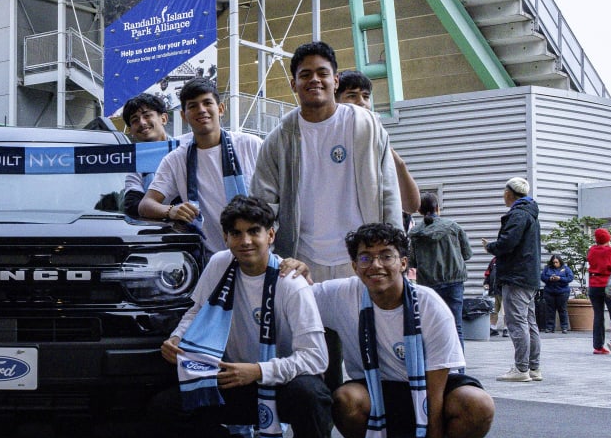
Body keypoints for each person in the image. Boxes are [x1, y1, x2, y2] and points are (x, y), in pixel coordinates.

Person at [157, 196, 332, 438]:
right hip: (235, 379)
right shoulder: (220, 264)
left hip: (284, 383)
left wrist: (259, 370)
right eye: (236, 233)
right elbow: (197, 310)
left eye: (254, 231)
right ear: (225, 237)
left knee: (311, 395)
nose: (245, 241)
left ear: (271, 236)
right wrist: (177, 339)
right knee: (169, 407)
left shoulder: (291, 283)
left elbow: (316, 358)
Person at [312, 222, 494, 438]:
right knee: (344, 399)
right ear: (355, 266)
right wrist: (288, 266)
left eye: (386, 256)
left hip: (427, 391)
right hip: (379, 391)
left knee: (478, 405)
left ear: (404, 262)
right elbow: (292, 294)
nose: (376, 265)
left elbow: (433, 401)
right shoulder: (340, 295)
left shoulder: (430, 305)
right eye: (365, 257)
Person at [252, 41, 401, 283]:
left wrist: (394, 251)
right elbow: (264, 205)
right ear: (294, 83)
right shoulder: (278, 140)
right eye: (305, 75)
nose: (315, 80)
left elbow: (389, 193)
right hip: (303, 263)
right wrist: (267, 258)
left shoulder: (366, 126)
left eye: (322, 73)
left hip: (363, 259)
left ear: (336, 80)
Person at [138, 78, 263, 255]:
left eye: (207, 103)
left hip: (260, 253)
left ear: (220, 109)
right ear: (183, 115)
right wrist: (172, 211)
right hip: (212, 259)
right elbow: (146, 204)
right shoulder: (176, 160)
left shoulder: (251, 145)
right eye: (193, 106)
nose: (201, 110)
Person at [334, 70, 421, 216]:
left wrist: (399, 164)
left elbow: (411, 205)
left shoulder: (380, 142)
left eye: (366, 96)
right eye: (352, 96)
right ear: (335, 101)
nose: (361, 102)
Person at [483, 177, 541, 381]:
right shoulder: (531, 213)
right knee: (530, 322)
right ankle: (533, 367)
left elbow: (508, 243)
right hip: (529, 275)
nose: (502, 195)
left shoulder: (517, 215)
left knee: (517, 322)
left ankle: (521, 369)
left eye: (504, 191)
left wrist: (491, 247)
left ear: (510, 193)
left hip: (516, 275)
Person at [407, 193, 472, 345]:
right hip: (454, 281)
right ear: (437, 208)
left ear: (420, 211)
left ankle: (433, 366)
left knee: (431, 328)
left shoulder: (416, 234)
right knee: (456, 326)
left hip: (428, 284)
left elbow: (413, 262)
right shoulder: (453, 227)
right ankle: (458, 368)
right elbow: (467, 254)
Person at [120, 93, 175, 219]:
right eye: (135, 120)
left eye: (147, 115)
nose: (142, 122)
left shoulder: (184, 150)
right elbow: (132, 205)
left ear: (164, 118)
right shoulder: (136, 163)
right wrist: (170, 211)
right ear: (131, 131)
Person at [585, 227, 611, 356]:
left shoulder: (592, 250)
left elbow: (589, 261)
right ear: (608, 238)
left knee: (598, 315)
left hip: (594, 285)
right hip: (609, 284)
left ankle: (598, 346)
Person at [539, 254, 573, 334]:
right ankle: (550, 327)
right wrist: (549, 278)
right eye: (553, 262)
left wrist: (560, 278)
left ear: (560, 262)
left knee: (562, 309)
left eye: (556, 262)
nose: (555, 264)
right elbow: (542, 277)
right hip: (550, 291)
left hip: (562, 292)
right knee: (550, 310)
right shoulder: (547, 268)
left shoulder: (566, 269)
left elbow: (570, 278)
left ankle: (564, 327)